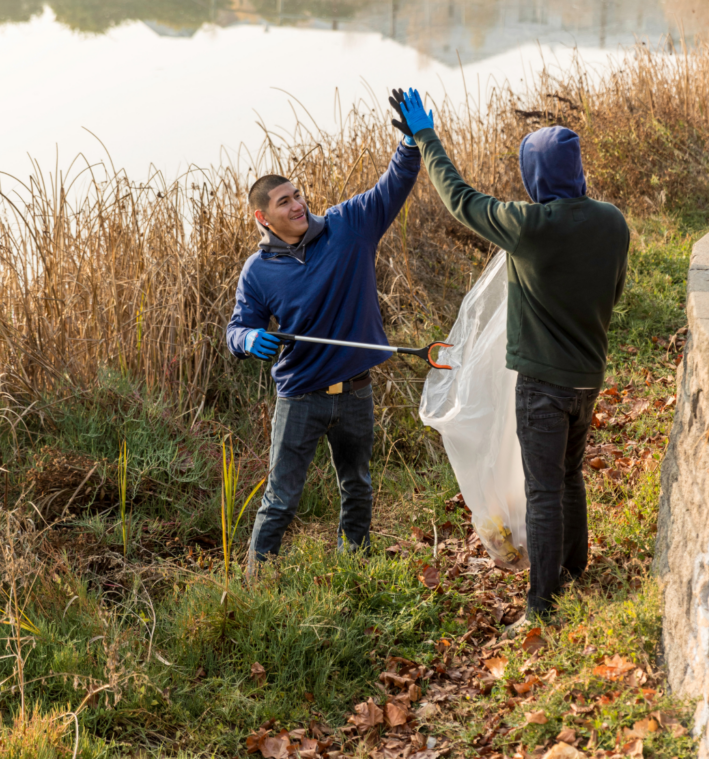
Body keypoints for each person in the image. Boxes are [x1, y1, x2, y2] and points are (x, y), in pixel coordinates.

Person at [390, 87, 629, 625]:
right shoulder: (612, 221)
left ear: (533, 176)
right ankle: (574, 569)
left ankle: (541, 606)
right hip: (588, 376)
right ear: (577, 169)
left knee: (543, 490)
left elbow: (460, 199)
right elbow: (612, 294)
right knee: (569, 475)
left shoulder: (529, 227)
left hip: (543, 386)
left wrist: (425, 137)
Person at [226, 134, 421, 570]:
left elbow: (392, 186)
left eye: (297, 195)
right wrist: (248, 340)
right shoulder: (257, 272)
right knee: (281, 498)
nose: (298, 205)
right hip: (300, 396)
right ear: (263, 217)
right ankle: (257, 583)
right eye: (284, 202)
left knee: (358, 486)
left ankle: (354, 569)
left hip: (355, 391)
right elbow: (236, 330)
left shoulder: (348, 226)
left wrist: (410, 146)